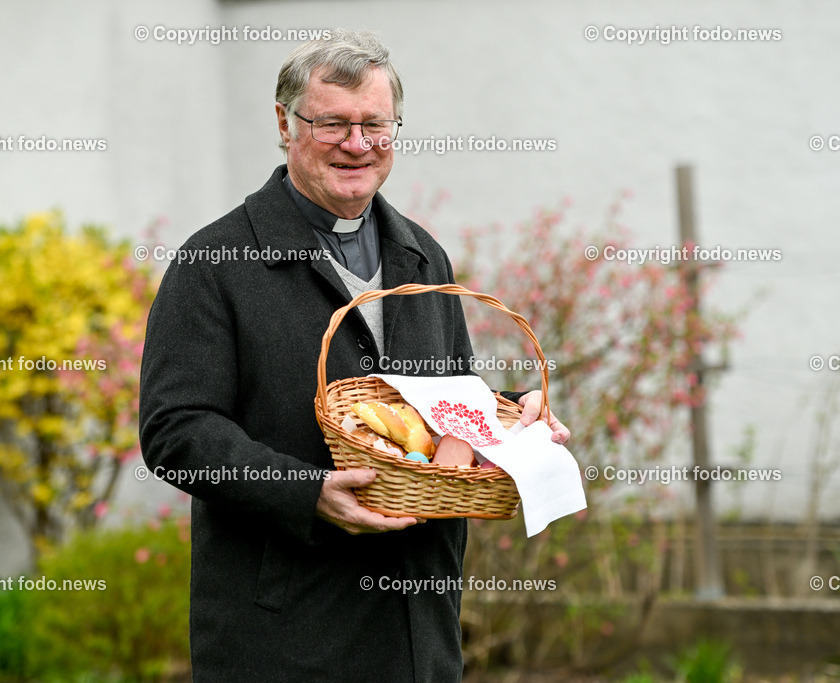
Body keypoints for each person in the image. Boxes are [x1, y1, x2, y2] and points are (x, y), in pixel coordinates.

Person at [139, 29, 569, 682]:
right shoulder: (215, 262)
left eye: (375, 123)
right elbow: (176, 430)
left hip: (418, 636)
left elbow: (441, 408)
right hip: (285, 637)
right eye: (333, 123)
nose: (358, 144)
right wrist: (305, 491)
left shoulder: (423, 256)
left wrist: (515, 420)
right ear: (285, 123)